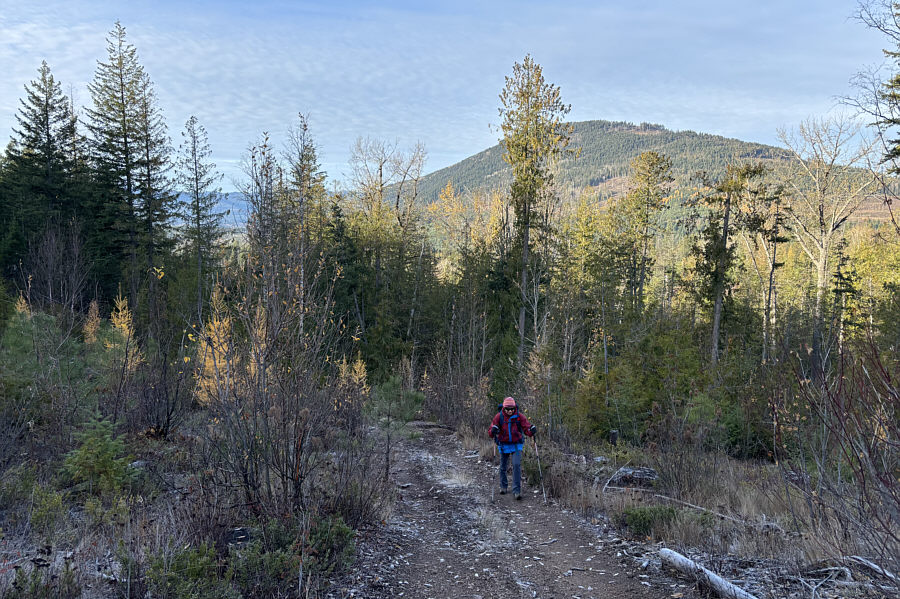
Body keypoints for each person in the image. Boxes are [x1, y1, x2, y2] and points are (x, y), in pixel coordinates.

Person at [489, 397, 536, 500]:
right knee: (503, 466)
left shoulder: (519, 416)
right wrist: (493, 430)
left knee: (516, 465)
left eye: (512, 409)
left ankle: (516, 491)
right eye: (507, 409)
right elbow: (491, 430)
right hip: (503, 444)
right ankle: (503, 486)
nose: (510, 411)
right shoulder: (499, 417)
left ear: (515, 408)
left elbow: (526, 427)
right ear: (504, 408)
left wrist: (531, 430)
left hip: (516, 444)